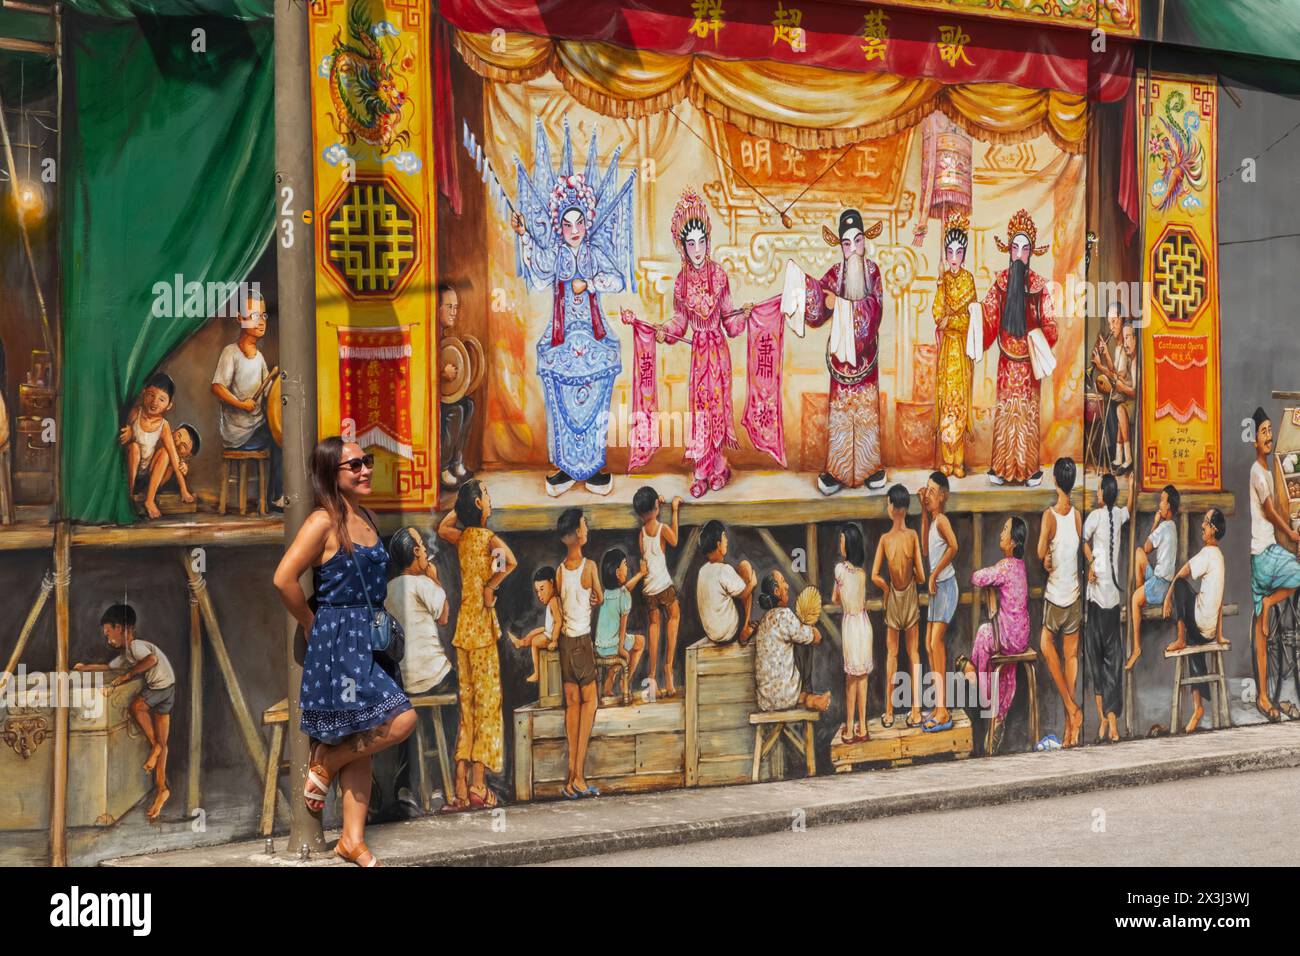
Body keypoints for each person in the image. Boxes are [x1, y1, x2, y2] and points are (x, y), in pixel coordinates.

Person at [273, 438, 417, 866]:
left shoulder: (368, 518)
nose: (365, 469)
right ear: (330, 475)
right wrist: (310, 623)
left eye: (366, 461)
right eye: (353, 465)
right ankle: (328, 758)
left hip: (369, 642)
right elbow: (284, 579)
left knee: (363, 734)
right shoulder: (323, 522)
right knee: (401, 718)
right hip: (340, 646)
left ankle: (351, 839)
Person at [510, 122, 634, 498]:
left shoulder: (595, 253)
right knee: (560, 402)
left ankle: (594, 466)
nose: (574, 229)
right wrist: (525, 238)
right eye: (567, 223)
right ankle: (565, 467)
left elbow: (617, 281)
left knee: (595, 402)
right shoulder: (557, 254)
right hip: (563, 338)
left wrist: (591, 283)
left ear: (588, 221)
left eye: (579, 222)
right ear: (560, 226)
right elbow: (541, 271)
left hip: (593, 338)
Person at [651, 189, 751, 497]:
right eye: (690, 243)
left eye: (701, 241)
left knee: (718, 407)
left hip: (718, 351)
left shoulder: (719, 275)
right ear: (682, 246)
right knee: (700, 410)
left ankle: (720, 467)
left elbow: (729, 321)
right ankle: (701, 470)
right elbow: (680, 322)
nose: (697, 249)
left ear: (708, 241)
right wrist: (665, 331)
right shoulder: (681, 282)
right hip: (698, 352)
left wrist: (743, 316)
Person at [783, 209, 887, 496]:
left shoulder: (872, 272)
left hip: (865, 359)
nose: (853, 249)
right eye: (846, 243)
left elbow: (874, 312)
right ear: (840, 245)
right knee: (841, 416)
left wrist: (839, 304)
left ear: (865, 240)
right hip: (841, 361)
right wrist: (801, 285)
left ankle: (869, 467)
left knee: (865, 415)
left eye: (857, 241)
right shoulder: (836, 273)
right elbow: (817, 306)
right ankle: (838, 471)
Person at [436, 479, 517, 811]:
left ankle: (459, 786)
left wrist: (462, 510)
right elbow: (509, 562)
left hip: (463, 630)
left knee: (466, 709)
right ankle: (479, 787)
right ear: (480, 505)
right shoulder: (489, 540)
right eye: (486, 494)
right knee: (486, 707)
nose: (491, 498)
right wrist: (491, 585)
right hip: (482, 630)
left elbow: (443, 526)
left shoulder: (462, 538)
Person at [74, 603, 176, 820]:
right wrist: (85, 668)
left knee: (136, 707)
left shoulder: (136, 646)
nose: (108, 639)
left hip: (160, 688)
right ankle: (162, 789)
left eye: (109, 633)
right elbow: (109, 668)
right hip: (168, 689)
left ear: (120, 628)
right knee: (162, 743)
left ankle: (155, 747)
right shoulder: (127, 655)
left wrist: (128, 676)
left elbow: (152, 660)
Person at [979, 210, 1059, 486]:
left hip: (1028, 364)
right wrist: (974, 314)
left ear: (1032, 252)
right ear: (1009, 250)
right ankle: (1001, 468)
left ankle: (1029, 469)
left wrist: (1037, 337)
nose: (1019, 255)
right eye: (1015, 248)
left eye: (1025, 249)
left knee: (1026, 416)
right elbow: (988, 317)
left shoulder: (1039, 287)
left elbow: (1051, 325)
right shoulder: (1000, 284)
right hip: (1006, 362)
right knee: (1005, 413)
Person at [384, 526, 453, 816]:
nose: (426, 551)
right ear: (415, 553)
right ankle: (438, 786)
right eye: (423, 546)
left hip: (403, 682)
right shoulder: (423, 583)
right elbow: (444, 616)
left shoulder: (387, 590)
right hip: (433, 678)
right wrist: (436, 581)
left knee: (407, 725)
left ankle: (406, 788)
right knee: (447, 716)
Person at [955, 516, 1030, 754]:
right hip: (1021, 637)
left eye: (1005, 530)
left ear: (1014, 542)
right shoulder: (1021, 567)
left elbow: (978, 577)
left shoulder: (1006, 567)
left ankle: (976, 677)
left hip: (1007, 636)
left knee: (983, 633)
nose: (1001, 534)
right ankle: (1000, 714)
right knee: (1007, 670)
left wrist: (989, 572)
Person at [1248, 407, 1300, 721]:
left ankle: (1264, 698)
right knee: (1297, 574)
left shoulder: (1266, 472)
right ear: (1254, 439)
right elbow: (1269, 512)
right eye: (1264, 432)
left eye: (1270, 430)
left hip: (1260, 556)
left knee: (1260, 632)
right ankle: (1270, 602)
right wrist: (1291, 532)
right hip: (1266, 553)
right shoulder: (1258, 473)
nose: (1268, 436)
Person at [211, 291, 284, 509]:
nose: (260, 322)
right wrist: (241, 404)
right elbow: (217, 387)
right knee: (281, 442)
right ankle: (276, 496)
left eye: (263, 316)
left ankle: (274, 495)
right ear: (239, 318)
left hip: (256, 425)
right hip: (239, 432)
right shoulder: (230, 353)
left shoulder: (259, 357)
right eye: (253, 315)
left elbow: (268, 391)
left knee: (281, 435)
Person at [1162, 508, 1228, 733]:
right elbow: (1219, 600)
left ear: (1213, 530)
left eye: (1206, 523)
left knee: (1180, 586)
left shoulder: (1208, 553)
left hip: (1200, 624)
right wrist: (1218, 635)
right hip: (1207, 630)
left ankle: (1180, 638)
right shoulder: (1219, 557)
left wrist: (1168, 596)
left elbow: (1182, 573)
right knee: (1195, 641)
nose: (1202, 526)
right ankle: (1198, 707)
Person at [1082, 472, 1134, 744]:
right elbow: (1131, 504)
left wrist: (1091, 563)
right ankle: (1110, 722)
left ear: (1103, 493)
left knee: (1095, 656)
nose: (1096, 493)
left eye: (1099, 490)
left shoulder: (1096, 517)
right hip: (1111, 598)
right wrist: (1133, 483)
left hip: (1097, 597)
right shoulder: (1118, 515)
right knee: (1112, 660)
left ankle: (1107, 720)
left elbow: (1083, 541)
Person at [554, 508, 602, 798]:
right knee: (590, 705)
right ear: (574, 534)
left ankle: (570, 777)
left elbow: (560, 606)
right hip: (583, 642)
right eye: (584, 525)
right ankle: (580, 777)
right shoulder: (590, 566)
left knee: (571, 706)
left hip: (564, 644)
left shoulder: (560, 571)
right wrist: (595, 598)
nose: (586, 529)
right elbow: (600, 596)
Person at [871, 484, 926, 728]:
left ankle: (889, 712)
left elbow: (875, 575)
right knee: (913, 653)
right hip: (911, 596)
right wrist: (913, 572)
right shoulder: (913, 536)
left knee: (891, 654)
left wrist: (885, 589)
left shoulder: (884, 539)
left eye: (888, 503)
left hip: (894, 597)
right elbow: (922, 577)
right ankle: (916, 711)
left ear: (893, 508)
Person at [1039, 457, 1084, 747]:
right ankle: (1072, 726)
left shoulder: (1050, 516)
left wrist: (1044, 558)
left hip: (1056, 596)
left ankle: (1070, 707)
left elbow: (1040, 551)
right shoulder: (1077, 516)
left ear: (1055, 481)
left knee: (1045, 645)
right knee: (1071, 656)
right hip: (1075, 594)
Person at [931, 211, 977, 477]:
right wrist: (939, 283)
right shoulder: (944, 280)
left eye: (959, 252)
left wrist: (953, 319)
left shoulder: (968, 280)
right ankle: (946, 459)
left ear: (964, 254)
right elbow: (938, 315)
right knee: (945, 402)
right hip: (946, 350)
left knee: (959, 403)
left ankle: (958, 460)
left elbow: (968, 318)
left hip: (960, 351)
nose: (954, 258)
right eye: (950, 252)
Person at [118, 372, 195, 519]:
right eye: (151, 395)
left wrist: (184, 490)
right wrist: (129, 434)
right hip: (131, 469)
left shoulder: (163, 426)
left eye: (162, 399)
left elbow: (174, 457)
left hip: (148, 473)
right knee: (134, 447)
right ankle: (128, 495)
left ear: (169, 405)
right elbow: (124, 441)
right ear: (144, 393)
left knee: (166, 454)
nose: (155, 402)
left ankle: (149, 500)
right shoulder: (136, 413)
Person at [753, 570, 832, 714]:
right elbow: (817, 638)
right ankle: (810, 697)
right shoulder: (784, 615)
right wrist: (811, 627)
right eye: (783, 582)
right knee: (805, 645)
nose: (787, 586)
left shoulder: (764, 620)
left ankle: (811, 699)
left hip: (765, 700)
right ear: (777, 591)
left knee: (797, 640)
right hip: (785, 696)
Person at [920, 472, 960, 732]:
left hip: (946, 586)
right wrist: (923, 513)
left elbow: (954, 547)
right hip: (937, 589)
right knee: (928, 643)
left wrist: (934, 574)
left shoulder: (943, 520)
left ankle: (943, 710)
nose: (928, 495)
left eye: (933, 492)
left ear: (943, 495)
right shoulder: (933, 521)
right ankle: (938, 705)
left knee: (936, 642)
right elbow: (925, 550)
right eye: (927, 490)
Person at [635, 487, 683, 697]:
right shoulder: (662, 528)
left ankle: (652, 676)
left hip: (648, 589)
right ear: (657, 506)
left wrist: (657, 506)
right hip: (663, 586)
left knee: (654, 627)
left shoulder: (641, 534)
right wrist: (673, 510)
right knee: (674, 616)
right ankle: (668, 669)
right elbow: (674, 541)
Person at [1128, 484, 1179, 670]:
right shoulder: (1172, 526)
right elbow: (1145, 550)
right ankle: (1143, 596)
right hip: (1161, 581)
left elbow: (1149, 545)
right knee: (1138, 553)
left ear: (1169, 507)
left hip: (1160, 584)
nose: (1159, 504)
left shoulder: (1164, 526)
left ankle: (1136, 648)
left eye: (1162, 501)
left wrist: (1155, 522)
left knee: (1134, 599)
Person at [831, 522, 872, 742]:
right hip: (864, 624)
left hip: (850, 625)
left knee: (851, 679)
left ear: (849, 545)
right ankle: (863, 727)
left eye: (842, 540)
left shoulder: (839, 569)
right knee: (862, 676)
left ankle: (849, 728)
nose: (840, 544)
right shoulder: (862, 573)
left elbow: (834, 598)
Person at [437, 281, 476, 491]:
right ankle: (442, 467)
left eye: (455, 307)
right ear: (437, 308)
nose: (454, 312)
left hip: (442, 395)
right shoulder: (429, 333)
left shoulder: (443, 334)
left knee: (468, 405)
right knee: (456, 410)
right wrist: (440, 373)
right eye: (449, 307)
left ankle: (455, 462)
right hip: (429, 400)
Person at [595, 548, 647, 698]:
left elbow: (626, 588)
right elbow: (622, 629)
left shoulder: (606, 593)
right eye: (625, 564)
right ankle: (625, 679)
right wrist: (621, 649)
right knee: (640, 642)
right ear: (618, 572)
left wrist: (640, 575)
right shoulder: (624, 597)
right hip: (615, 645)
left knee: (623, 643)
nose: (628, 567)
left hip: (600, 646)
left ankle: (608, 684)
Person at [696, 519, 757, 646]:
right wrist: (752, 584)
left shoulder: (703, 570)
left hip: (712, 634)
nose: (727, 542)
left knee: (736, 579)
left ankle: (741, 629)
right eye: (724, 538)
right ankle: (744, 630)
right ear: (718, 544)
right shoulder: (724, 570)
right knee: (745, 567)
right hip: (728, 633)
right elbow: (743, 594)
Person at [507, 567, 561, 684]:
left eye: (542, 589)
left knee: (535, 641)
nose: (539, 595)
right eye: (537, 591)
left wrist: (555, 640)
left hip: (551, 636)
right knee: (533, 632)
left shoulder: (554, 601)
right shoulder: (552, 600)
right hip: (548, 631)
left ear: (552, 583)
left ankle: (537, 673)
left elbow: (558, 621)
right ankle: (520, 643)